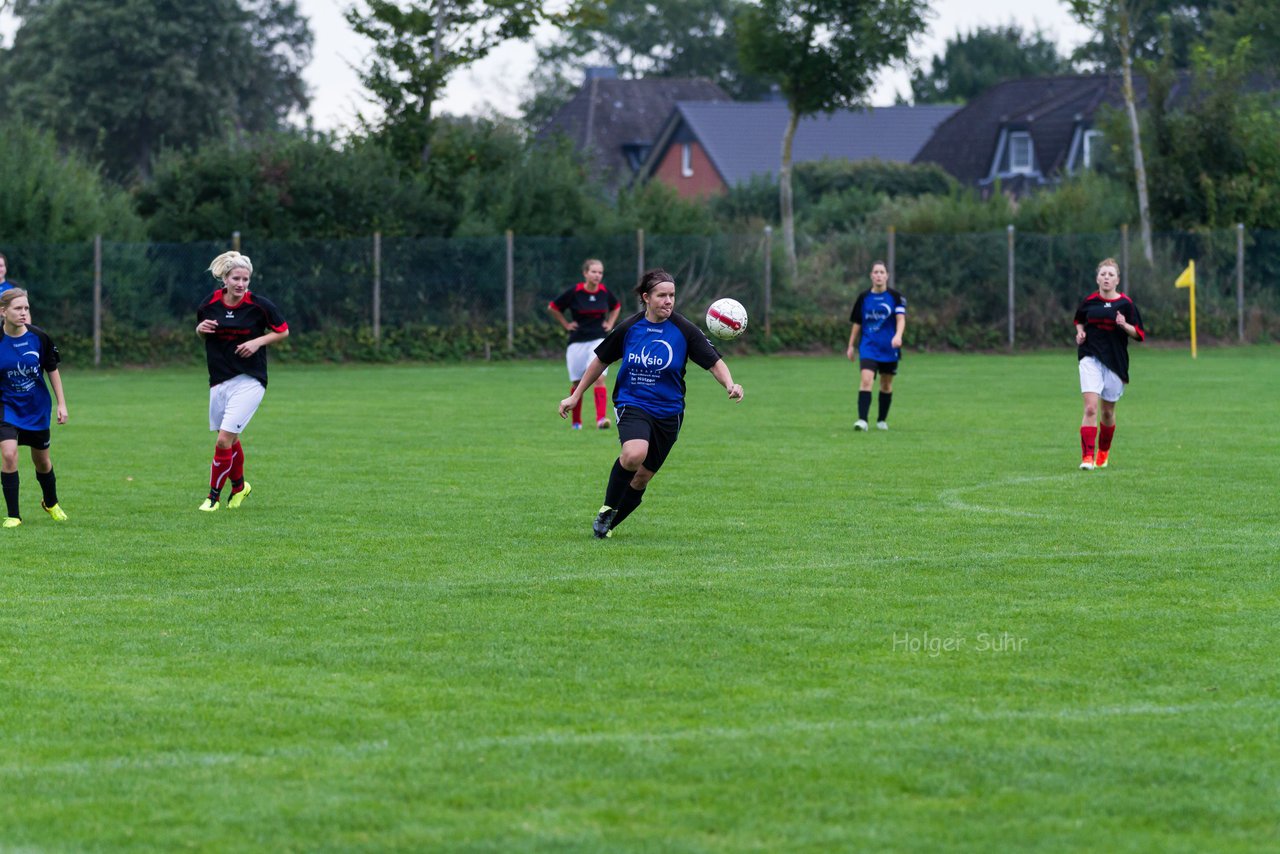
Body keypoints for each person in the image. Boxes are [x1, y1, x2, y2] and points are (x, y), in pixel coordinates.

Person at [559, 268, 744, 538]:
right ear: (647, 297)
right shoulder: (630, 328)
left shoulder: (683, 330)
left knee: (642, 477)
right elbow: (601, 360)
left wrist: (730, 384)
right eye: (661, 295)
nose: (668, 301)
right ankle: (607, 508)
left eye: (671, 296)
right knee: (634, 454)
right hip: (632, 402)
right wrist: (576, 396)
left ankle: (607, 527)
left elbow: (714, 362)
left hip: (669, 412)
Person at [195, 251, 289, 511]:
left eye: (245, 279)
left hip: (250, 380)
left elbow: (283, 331)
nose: (241, 283)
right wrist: (199, 330)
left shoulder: (259, 306)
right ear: (225, 278)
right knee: (230, 439)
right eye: (236, 278)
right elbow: (205, 335)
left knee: (223, 439)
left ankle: (212, 497)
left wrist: (257, 341)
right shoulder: (208, 304)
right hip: (219, 380)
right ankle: (239, 487)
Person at [0, 288, 68, 527]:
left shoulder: (39, 337)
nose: (23, 313)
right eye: (18, 308)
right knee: (8, 454)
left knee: (42, 462)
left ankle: (50, 502)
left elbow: (52, 370)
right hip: (6, 407)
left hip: (36, 408)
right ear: (3, 311)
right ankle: (13, 515)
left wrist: (61, 404)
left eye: (26, 308)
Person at [1074, 257, 1144, 470]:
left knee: (1107, 412)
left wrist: (1124, 325)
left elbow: (1139, 334)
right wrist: (1080, 332)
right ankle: (1087, 457)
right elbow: (1078, 320)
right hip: (1090, 357)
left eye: (1110, 274)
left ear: (1117, 280)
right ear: (1097, 278)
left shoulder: (1126, 304)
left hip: (1115, 361)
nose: (1106, 277)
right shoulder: (1089, 302)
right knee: (1090, 408)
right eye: (1103, 274)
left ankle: (1103, 451)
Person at [548, 258, 621, 430]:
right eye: (594, 272)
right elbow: (552, 307)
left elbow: (616, 306)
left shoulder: (604, 292)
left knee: (599, 378)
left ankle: (601, 420)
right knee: (577, 383)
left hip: (599, 341)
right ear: (585, 273)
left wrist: (610, 323)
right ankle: (576, 423)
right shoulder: (575, 292)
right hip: (577, 342)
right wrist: (566, 325)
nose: (597, 275)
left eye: (600, 272)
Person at [846, 260, 906, 430]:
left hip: (889, 348)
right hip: (868, 347)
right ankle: (862, 420)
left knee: (886, 384)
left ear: (887, 276)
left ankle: (881, 420)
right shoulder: (863, 298)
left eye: (882, 272)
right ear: (871, 276)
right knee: (866, 380)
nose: (879, 275)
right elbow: (857, 323)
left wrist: (898, 336)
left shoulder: (896, 297)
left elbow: (901, 319)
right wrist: (851, 346)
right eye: (876, 272)